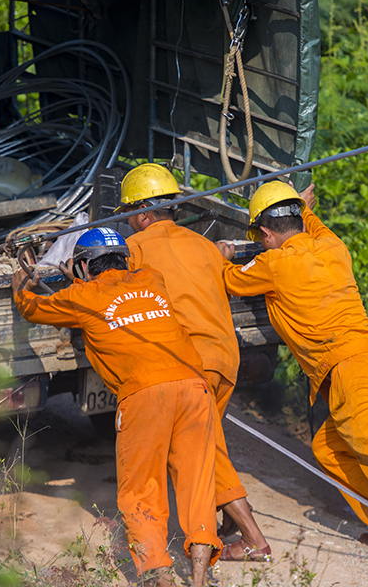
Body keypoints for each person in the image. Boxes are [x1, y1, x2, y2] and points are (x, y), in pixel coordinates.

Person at [216, 181, 368, 582]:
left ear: (266, 234)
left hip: (354, 376)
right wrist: (303, 207)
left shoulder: (273, 264)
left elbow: (226, 278)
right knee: (328, 448)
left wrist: (221, 253)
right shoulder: (331, 245)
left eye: (260, 235)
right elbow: (312, 223)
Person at [12, 227, 222, 587]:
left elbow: (30, 307)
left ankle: (159, 585)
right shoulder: (152, 279)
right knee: (197, 484)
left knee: (141, 489)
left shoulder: (82, 296)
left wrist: (21, 282)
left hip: (144, 395)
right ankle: (201, 584)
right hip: (195, 386)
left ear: (83, 266)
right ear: (126, 260)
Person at [115, 163, 272, 562]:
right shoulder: (204, 243)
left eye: (131, 213)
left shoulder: (135, 249)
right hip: (226, 356)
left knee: (195, 451)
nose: (131, 222)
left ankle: (253, 536)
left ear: (144, 214)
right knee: (206, 445)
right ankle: (235, 523)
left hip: (190, 362)